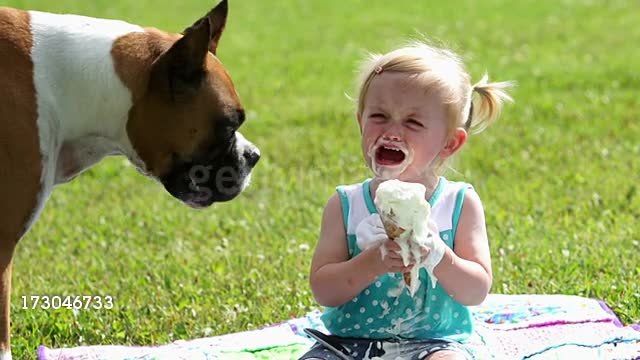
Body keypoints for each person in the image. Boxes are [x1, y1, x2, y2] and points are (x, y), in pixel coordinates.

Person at [300, 40, 514, 360]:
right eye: (379, 116)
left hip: (434, 343)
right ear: (361, 120)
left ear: (450, 143)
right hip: (348, 344)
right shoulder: (346, 205)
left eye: (413, 122)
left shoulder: (458, 204)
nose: (392, 132)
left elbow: (476, 290)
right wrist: (371, 262)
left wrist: (438, 255)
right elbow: (324, 290)